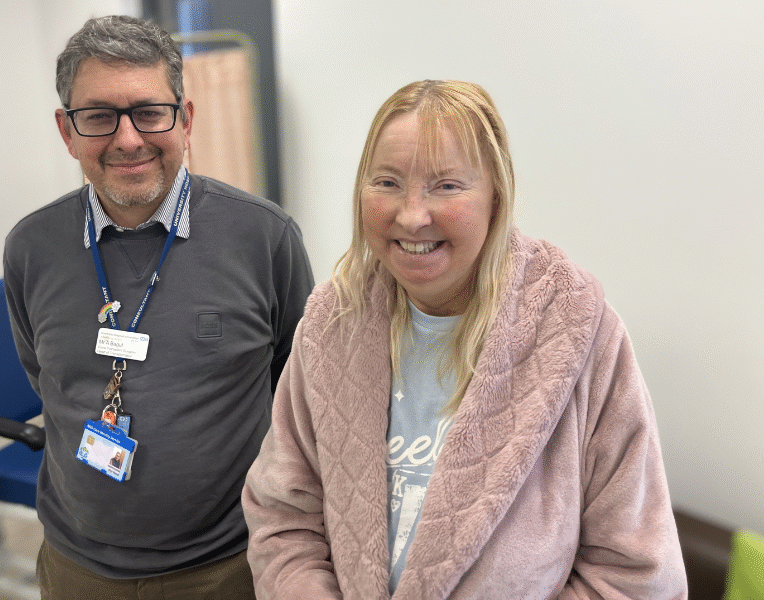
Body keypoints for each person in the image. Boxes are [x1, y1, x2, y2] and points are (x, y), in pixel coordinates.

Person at [241, 80, 687, 599]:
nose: (411, 215)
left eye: (447, 185)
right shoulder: (332, 323)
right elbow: (283, 519)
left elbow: (637, 574)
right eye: (386, 182)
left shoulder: (582, 333)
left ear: (496, 194)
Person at [3, 15, 314, 599]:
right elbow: (46, 376)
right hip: (76, 567)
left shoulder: (264, 238)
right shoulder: (30, 248)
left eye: (149, 112)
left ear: (186, 119)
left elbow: (296, 387)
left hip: (228, 567)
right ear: (66, 131)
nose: (127, 139)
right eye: (98, 116)